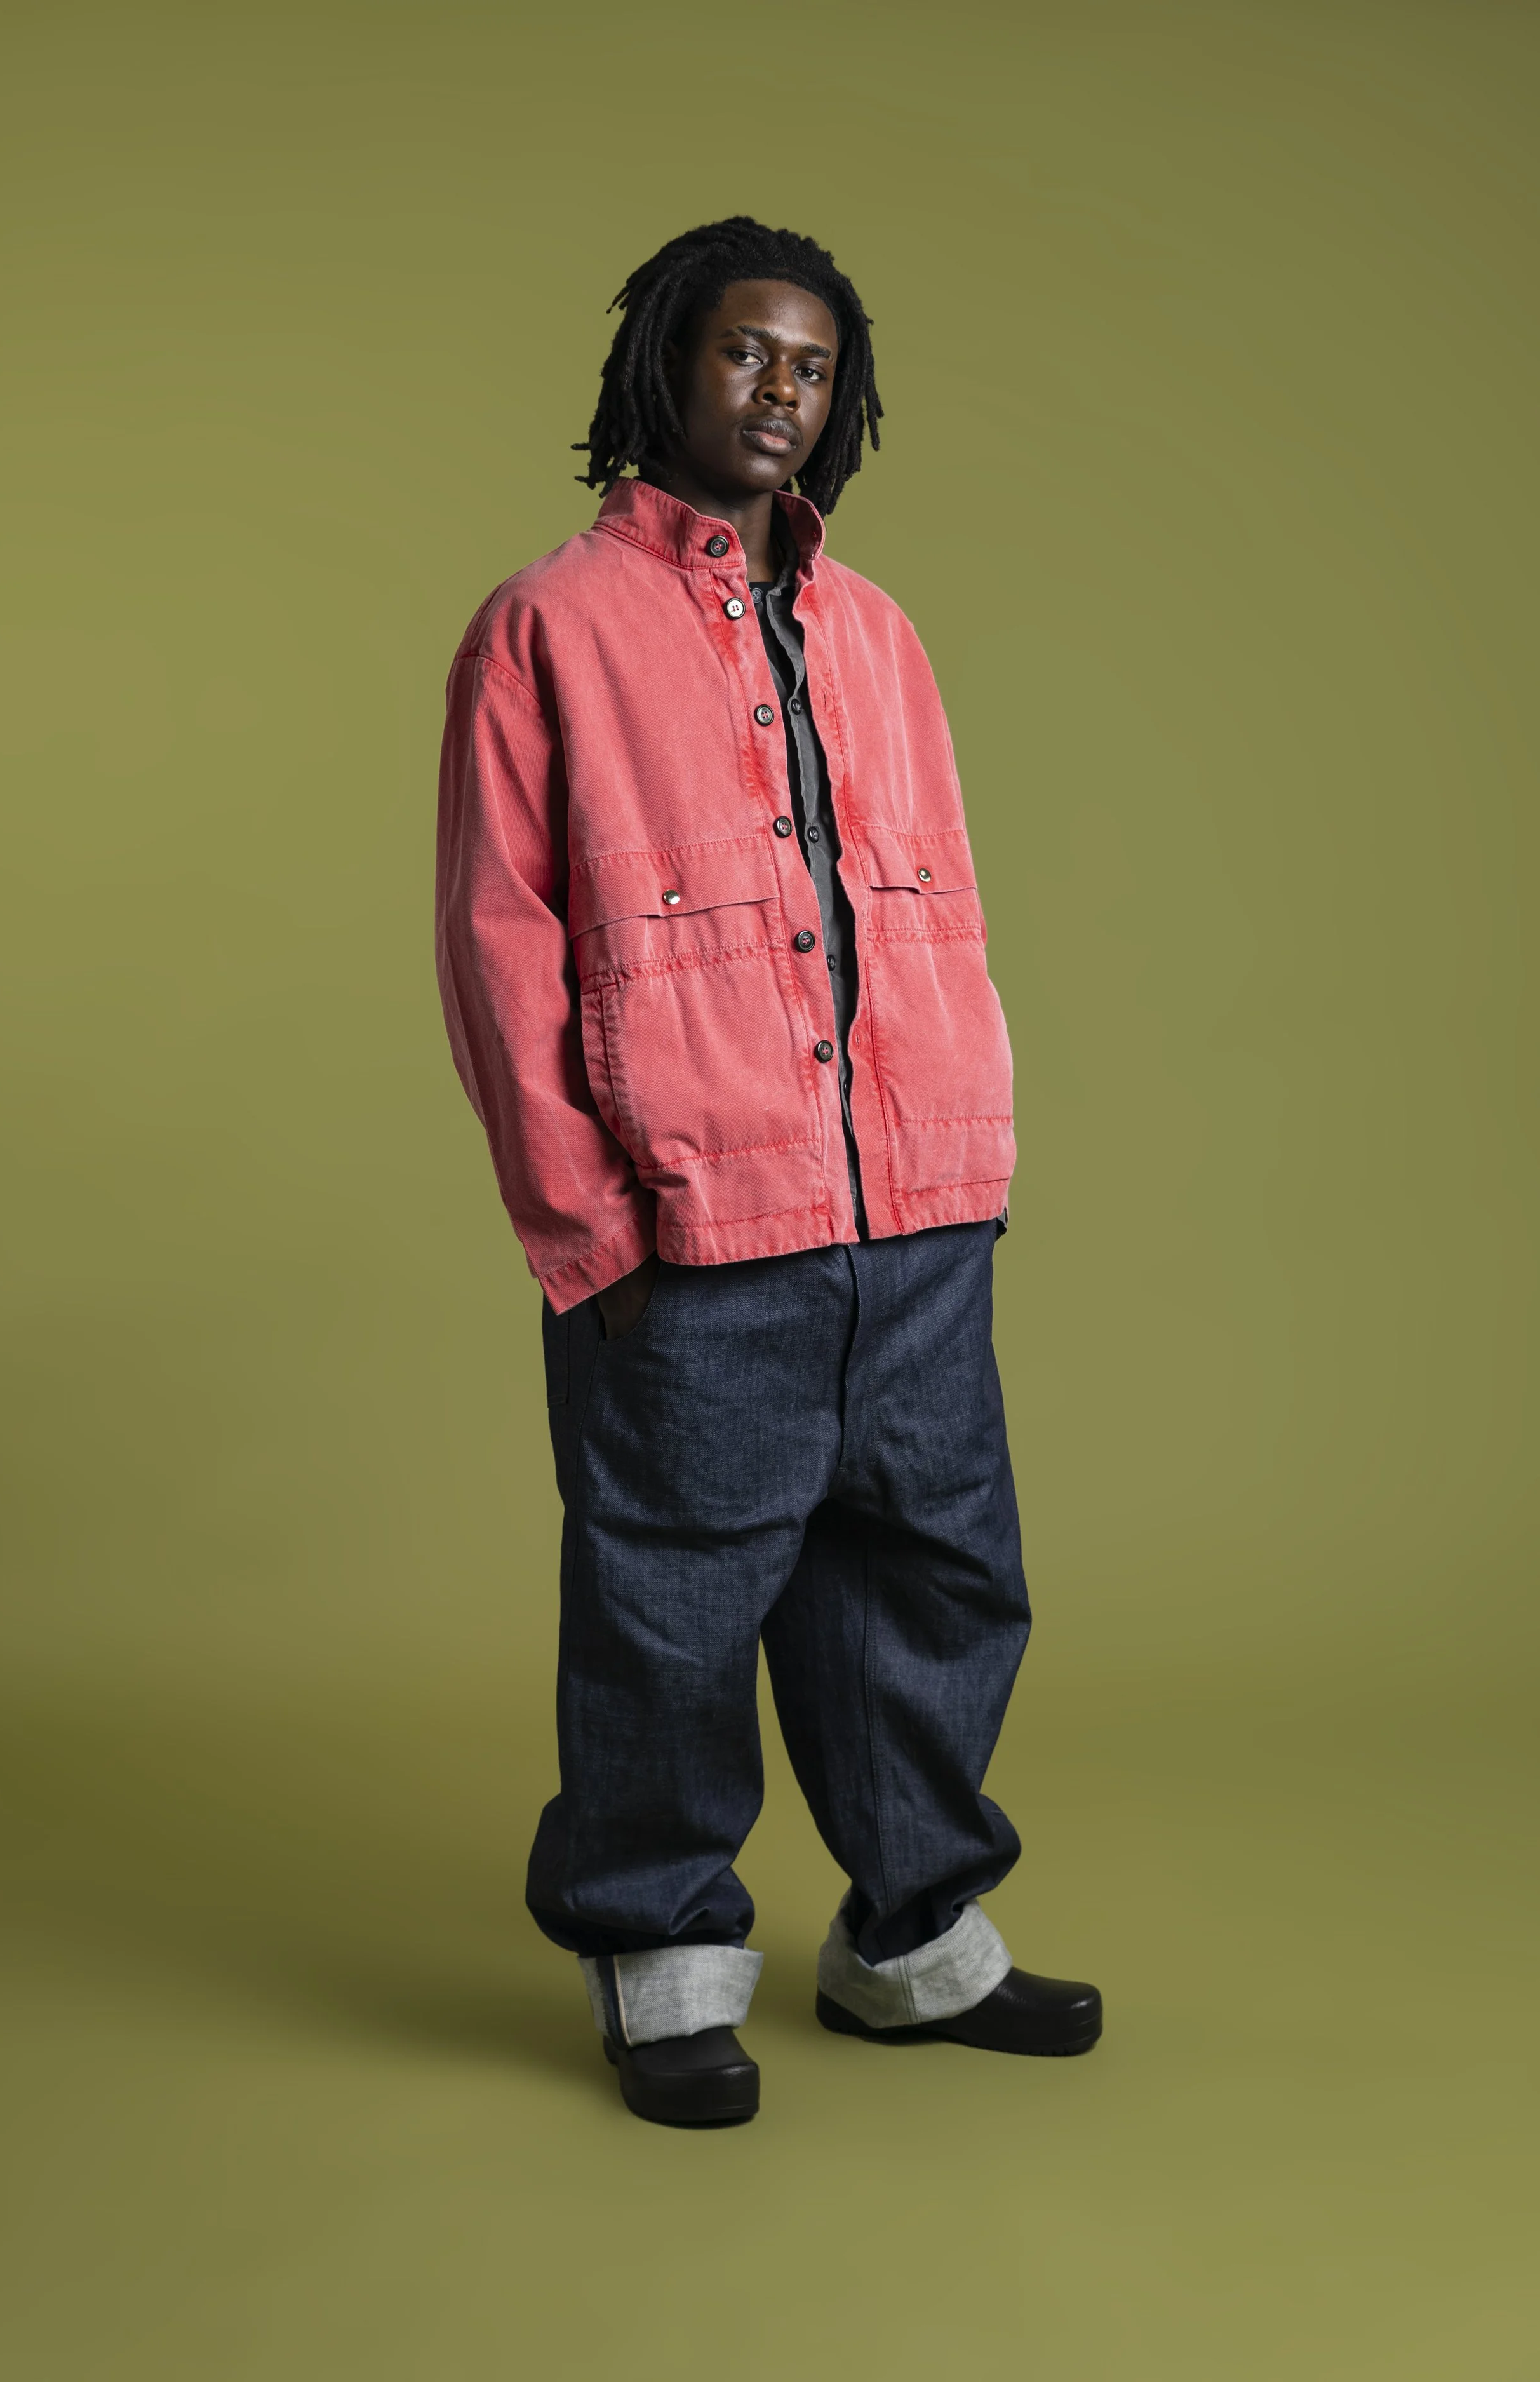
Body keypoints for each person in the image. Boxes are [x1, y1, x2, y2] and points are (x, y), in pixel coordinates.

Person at [436, 216, 1101, 2127]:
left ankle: (913, 1944)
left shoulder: (879, 631)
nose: (778, 392)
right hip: (689, 1231)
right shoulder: (547, 625)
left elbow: (938, 910)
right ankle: (661, 1963)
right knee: (668, 1601)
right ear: (665, 360)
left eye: (809, 366)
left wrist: (966, 1160)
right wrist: (588, 1237)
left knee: (934, 1577)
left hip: (914, 1218)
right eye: (743, 353)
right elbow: (501, 944)